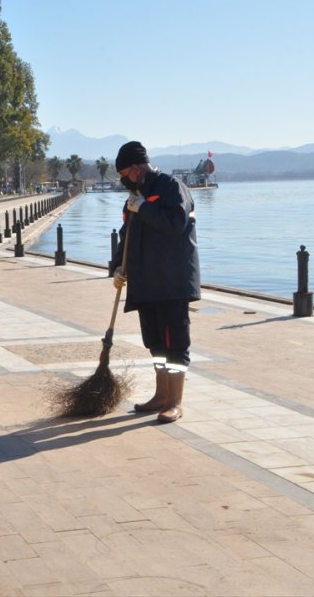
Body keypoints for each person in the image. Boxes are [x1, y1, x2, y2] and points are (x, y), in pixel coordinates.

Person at [110, 141, 200, 423]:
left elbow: (175, 225)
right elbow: (128, 235)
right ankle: (160, 396)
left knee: (175, 344)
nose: (123, 180)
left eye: (124, 174)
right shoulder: (136, 196)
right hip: (146, 282)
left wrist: (143, 209)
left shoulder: (172, 188)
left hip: (172, 281)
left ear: (136, 169)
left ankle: (175, 402)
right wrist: (117, 267)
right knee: (156, 344)